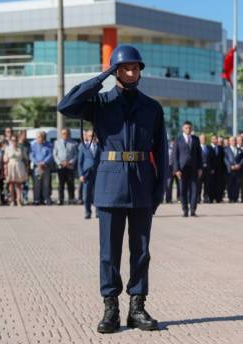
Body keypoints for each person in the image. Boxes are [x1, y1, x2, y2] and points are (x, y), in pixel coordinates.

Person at [58, 45, 168, 333]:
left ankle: (137, 307)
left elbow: (162, 151)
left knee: (141, 251)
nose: (131, 73)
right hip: (109, 184)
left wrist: (160, 190)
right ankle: (110, 308)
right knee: (109, 252)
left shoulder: (152, 107)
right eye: (125, 68)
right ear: (116, 71)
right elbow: (66, 105)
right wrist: (101, 77)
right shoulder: (101, 103)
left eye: (135, 68)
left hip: (143, 184)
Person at [174, 121, 203, 217]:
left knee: (194, 190)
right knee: (183, 190)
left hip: (194, 169)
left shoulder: (195, 139)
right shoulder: (178, 139)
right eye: (186, 128)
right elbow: (175, 156)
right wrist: (176, 169)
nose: (188, 129)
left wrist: (200, 168)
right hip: (182, 170)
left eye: (190, 128)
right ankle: (185, 210)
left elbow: (199, 155)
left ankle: (193, 210)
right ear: (183, 128)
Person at [78, 130, 101, 219]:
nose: (92, 137)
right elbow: (79, 162)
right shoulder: (83, 146)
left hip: (97, 173)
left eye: (93, 136)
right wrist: (80, 175)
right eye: (90, 136)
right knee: (86, 194)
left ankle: (98, 212)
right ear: (87, 137)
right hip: (87, 173)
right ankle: (87, 212)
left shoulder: (100, 146)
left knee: (97, 193)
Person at [53, 128, 78, 205]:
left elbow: (76, 155)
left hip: (70, 167)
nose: (65, 135)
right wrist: (60, 163)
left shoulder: (74, 143)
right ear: (61, 134)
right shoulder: (57, 143)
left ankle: (71, 199)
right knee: (61, 184)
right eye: (63, 133)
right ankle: (61, 199)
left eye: (66, 133)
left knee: (71, 184)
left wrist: (70, 162)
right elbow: (55, 154)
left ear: (69, 134)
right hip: (60, 167)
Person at [3, 135, 28, 206]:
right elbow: (5, 159)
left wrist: (27, 169)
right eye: (13, 140)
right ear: (10, 141)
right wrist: (5, 169)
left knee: (18, 184)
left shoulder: (21, 148)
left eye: (15, 140)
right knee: (11, 184)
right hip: (10, 166)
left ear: (17, 141)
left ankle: (19, 200)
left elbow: (25, 159)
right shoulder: (7, 148)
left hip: (19, 166)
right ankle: (12, 200)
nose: (14, 142)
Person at [30, 131, 53, 205]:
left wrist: (44, 163)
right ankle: (36, 199)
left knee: (46, 184)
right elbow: (31, 155)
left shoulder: (49, 145)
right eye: (37, 137)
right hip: (37, 167)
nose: (38, 139)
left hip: (46, 167)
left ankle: (46, 199)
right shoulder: (33, 146)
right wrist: (38, 163)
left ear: (43, 137)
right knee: (36, 184)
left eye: (39, 137)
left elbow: (51, 154)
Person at [224, 136, 243, 203]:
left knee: (237, 184)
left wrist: (239, 165)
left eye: (234, 140)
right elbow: (225, 159)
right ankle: (231, 198)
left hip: (238, 170)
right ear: (229, 142)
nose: (233, 142)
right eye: (232, 141)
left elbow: (242, 159)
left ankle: (236, 197)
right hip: (230, 170)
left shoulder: (239, 150)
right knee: (230, 184)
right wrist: (230, 166)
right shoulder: (226, 150)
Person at [210, 135, 226, 203]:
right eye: (214, 139)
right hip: (211, 170)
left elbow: (223, 159)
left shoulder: (220, 148)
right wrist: (210, 168)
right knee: (211, 184)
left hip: (220, 170)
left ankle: (218, 198)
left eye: (216, 139)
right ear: (211, 140)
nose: (215, 140)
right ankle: (211, 198)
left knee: (219, 184)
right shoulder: (209, 148)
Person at [199, 134, 213, 204]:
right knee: (199, 184)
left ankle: (206, 197)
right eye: (202, 138)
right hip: (200, 169)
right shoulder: (197, 147)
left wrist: (212, 168)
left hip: (208, 169)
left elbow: (212, 159)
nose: (203, 140)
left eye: (204, 138)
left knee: (207, 185)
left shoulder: (209, 148)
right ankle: (198, 198)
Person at [165, 138, 178, 204]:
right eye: (172, 142)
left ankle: (179, 198)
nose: (173, 143)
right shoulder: (167, 148)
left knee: (179, 184)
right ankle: (168, 199)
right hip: (169, 167)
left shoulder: (177, 148)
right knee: (169, 184)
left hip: (177, 168)